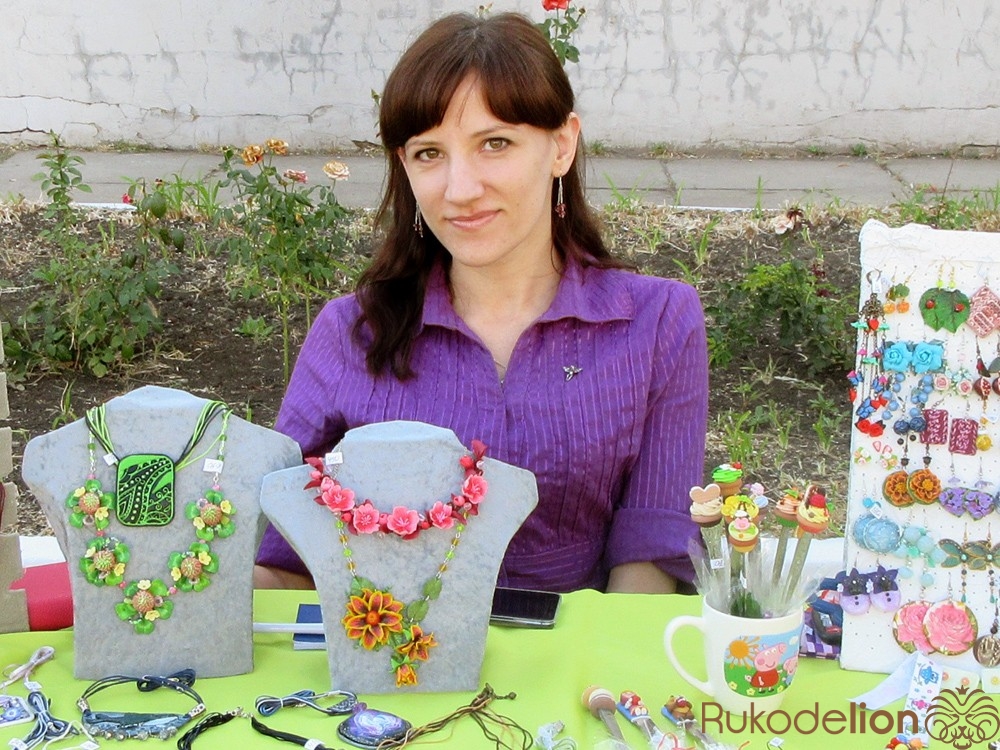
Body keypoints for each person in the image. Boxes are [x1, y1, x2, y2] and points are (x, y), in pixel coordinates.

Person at [254, 11, 708, 594]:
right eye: (429, 153)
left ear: (562, 145)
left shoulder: (658, 322)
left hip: (584, 649)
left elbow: (650, 557)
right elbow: (287, 558)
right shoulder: (352, 331)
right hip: (393, 647)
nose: (460, 189)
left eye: (495, 144)